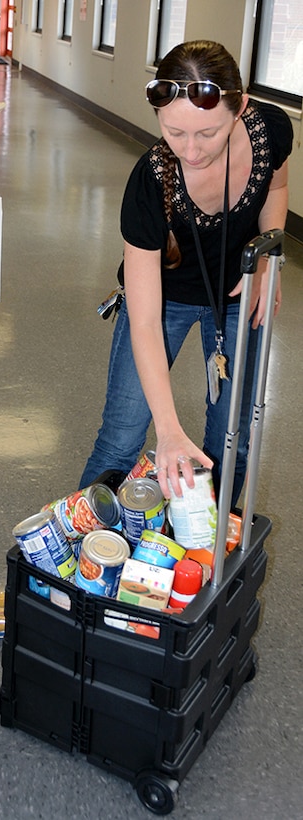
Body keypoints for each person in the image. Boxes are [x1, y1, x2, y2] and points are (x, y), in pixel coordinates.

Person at [80, 40, 293, 506]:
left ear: (241, 110)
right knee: (121, 435)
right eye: (175, 133)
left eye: (207, 134)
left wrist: (264, 254)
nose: (191, 150)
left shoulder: (270, 129)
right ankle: (81, 550)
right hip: (165, 299)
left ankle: (208, 548)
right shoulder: (150, 181)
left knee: (231, 438)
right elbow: (145, 320)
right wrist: (170, 429)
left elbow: (277, 183)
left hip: (237, 294)